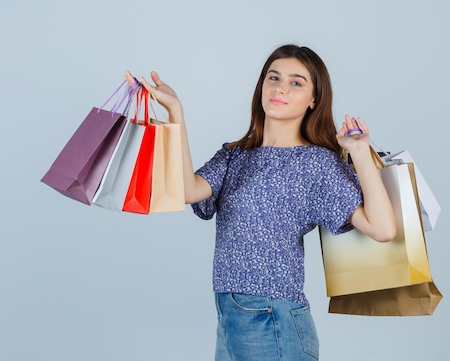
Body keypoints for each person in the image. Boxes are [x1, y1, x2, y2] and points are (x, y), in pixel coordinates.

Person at [126, 44, 396, 360]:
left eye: (296, 82)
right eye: (274, 77)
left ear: (314, 101)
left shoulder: (315, 163)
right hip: (229, 317)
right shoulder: (234, 156)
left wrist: (360, 152)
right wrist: (175, 111)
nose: (281, 87)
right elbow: (186, 190)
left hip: (272, 319)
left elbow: (382, 229)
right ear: (262, 87)